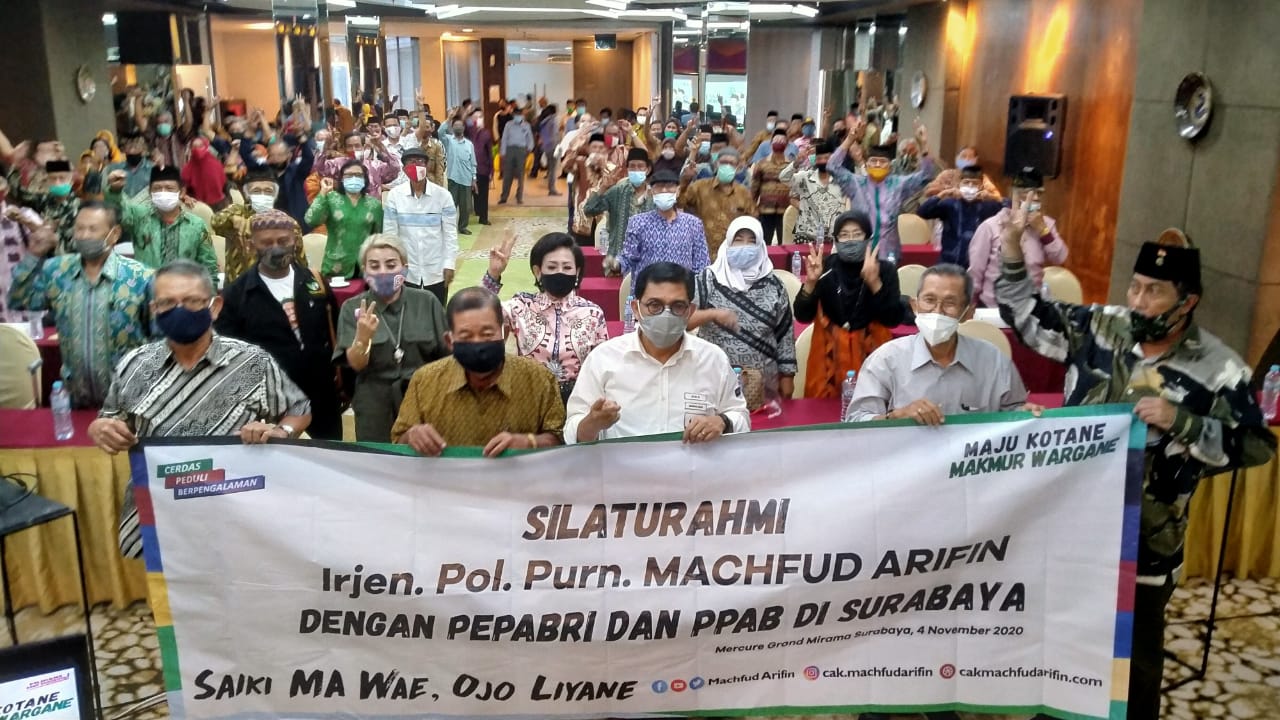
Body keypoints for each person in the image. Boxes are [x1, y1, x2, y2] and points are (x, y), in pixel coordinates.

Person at [995, 229, 1276, 720]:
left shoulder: (1220, 368)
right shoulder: (1100, 329)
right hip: (1072, 531)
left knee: (1134, 665)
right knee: (1058, 647)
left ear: (1187, 301)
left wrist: (1183, 422)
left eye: (1155, 291)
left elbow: (1254, 446)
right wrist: (1015, 248)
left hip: (1146, 543)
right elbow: (1022, 314)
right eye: (1135, 286)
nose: (1139, 301)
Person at [91, 259, 312, 559]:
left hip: (238, 511)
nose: (179, 310)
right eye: (168, 302)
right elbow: (110, 416)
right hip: (163, 506)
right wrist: (101, 427)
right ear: (154, 309)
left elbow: (299, 409)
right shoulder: (134, 364)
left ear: (215, 306)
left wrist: (279, 430)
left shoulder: (252, 362)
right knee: (168, 598)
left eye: (192, 301)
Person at [565, 261, 750, 443]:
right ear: (636, 309)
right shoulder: (603, 359)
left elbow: (741, 419)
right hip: (624, 471)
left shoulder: (713, 359)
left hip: (693, 470)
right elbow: (572, 433)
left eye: (677, 306)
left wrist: (722, 422)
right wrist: (592, 424)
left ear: (690, 311)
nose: (665, 315)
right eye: (655, 305)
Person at [8, 203, 153, 407]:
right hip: (76, 399)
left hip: (129, 400)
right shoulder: (57, 271)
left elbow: (159, 338)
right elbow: (19, 300)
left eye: (93, 229)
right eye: (79, 228)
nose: (84, 235)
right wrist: (33, 255)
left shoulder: (141, 278)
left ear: (114, 234)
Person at [391, 287, 565, 456]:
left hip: (515, 483)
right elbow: (398, 441)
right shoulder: (425, 381)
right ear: (449, 341)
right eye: (466, 336)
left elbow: (561, 442)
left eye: (487, 334)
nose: (478, 344)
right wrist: (413, 435)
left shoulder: (539, 379)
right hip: (447, 483)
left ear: (504, 333)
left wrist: (529, 442)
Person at [214, 210, 341, 440]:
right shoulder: (236, 294)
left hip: (322, 397)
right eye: (267, 242)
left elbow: (336, 334)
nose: (276, 247)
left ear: (294, 241)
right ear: (252, 245)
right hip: (271, 405)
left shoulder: (315, 281)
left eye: (283, 241)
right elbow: (228, 356)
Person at [846, 263, 1027, 422]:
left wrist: (1026, 415)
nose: (937, 311)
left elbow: (1014, 415)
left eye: (950, 303)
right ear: (915, 306)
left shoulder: (994, 361)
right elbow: (856, 421)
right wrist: (895, 416)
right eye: (929, 300)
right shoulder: (886, 359)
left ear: (968, 313)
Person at [337, 234, 448, 442]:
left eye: (390, 265)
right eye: (374, 266)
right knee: (378, 462)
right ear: (364, 270)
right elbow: (356, 365)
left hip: (424, 398)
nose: (383, 272)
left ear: (404, 268)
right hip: (375, 402)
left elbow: (448, 356)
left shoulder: (427, 301)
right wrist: (362, 339)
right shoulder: (352, 308)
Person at [483, 230, 609, 403]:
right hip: (529, 399)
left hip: (578, 401)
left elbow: (601, 365)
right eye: (551, 267)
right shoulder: (521, 305)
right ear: (538, 271)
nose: (560, 272)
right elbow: (480, 315)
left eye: (567, 267)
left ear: (577, 272)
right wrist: (493, 274)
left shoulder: (593, 313)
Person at [793, 211, 905, 398]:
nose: (851, 240)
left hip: (873, 358)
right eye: (844, 235)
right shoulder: (825, 268)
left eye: (857, 234)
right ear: (836, 240)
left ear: (868, 238)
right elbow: (802, 316)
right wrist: (811, 282)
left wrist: (875, 283)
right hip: (828, 363)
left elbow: (893, 319)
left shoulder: (884, 270)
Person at [688, 216, 797, 399]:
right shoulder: (708, 279)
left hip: (764, 385)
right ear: (728, 243)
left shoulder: (775, 285)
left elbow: (785, 334)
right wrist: (712, 314)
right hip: (714, 380)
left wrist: (787, 377)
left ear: (761, 246)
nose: (744, 247)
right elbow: (684, 321)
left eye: (751, 242)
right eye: (738, 240)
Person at [828, 122, 936, 261]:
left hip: (889, 254)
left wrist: (923, 146)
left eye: (882, 161)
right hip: (860, 254)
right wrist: (849, 140)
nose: (878, 164)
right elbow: (832, 166)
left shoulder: (898, 185)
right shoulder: (856, 183)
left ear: (890, 166)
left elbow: (927, 175)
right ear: (866, 164)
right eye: (873, 161)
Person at [968, 166, 1068, 307]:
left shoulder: (1046, 225)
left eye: (1038, 194)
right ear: (1013, 195)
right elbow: (975, 273)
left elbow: (1060, 257)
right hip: (994, 307)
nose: (1033, 198)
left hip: (1030, 309)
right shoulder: (991, 226)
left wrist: (1042, 230)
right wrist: (971, 305)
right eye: (1026, 194)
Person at [105, 165, 219, 279]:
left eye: (169, 188)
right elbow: (120, 211)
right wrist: (114, 191)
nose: (163, 192)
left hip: (185, 291)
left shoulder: (197, 225)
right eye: (157, 188)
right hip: (147, 291)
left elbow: (209, 265)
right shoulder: (139, 217)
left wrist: (209, 295)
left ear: (182, 192)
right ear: (150, 192)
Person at [382, 147, 458, 305]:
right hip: (407, 270)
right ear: (404, 169)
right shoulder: (395, 196)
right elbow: (390, 235)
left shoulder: (443, 196)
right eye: (411, 162)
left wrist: (449, 263)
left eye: (420, 162)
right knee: (407, 311)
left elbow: (450, 234)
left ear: (427, 165)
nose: (416, 166)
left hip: (436, 269)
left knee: (436, 311)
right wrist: (392, 266)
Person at [213, 169, 309, 285]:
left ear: (275, 195)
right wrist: (233, 219)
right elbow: (216, 221)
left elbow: (300, 260)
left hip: (276, 285)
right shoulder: (237, 212)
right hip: (239, 286)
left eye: (268, 191)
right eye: (256, 191)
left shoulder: (286, 222)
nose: (262, 195)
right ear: (247, 194)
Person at [621, 170, 710, 278]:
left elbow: (702, 264)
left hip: (681, 290)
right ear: (651, 192)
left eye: (669, 187)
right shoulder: (638, 223)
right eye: (659, 187)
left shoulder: (693, 224)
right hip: (648, 290)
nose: (664, 190)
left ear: (677, 191)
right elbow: (628, 258)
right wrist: (616, 264)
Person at [304, 160, 383, 279]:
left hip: (365, 268)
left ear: (365, 179)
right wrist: (323, 193)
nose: (354, 178)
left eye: (358, 175)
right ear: (342, 178)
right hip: (335, 267)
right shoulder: (331, 199)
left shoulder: (374, 204)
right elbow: (311, 220)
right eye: (349, 175)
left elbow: (378, 236)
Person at [585, 148, 656, 276]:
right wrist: (603, 188)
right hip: (616, 264)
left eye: (640, 166)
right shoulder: (617, 191)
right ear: (627, 169)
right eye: (632, 167)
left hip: (648, 264)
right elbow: (589, 210)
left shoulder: (655, 195)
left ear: (648, 169)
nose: (636, 170)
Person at [916, 165, 1003, 268]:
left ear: (981, 186)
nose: (970, 186)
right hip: (949, 263)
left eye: (975, 183)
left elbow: (1010, 210)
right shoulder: (950, 204)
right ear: (959, 184)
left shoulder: (989, 206)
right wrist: (943, 194)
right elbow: (923, 212)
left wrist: (994, 197)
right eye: (966, 183)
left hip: (976, 266)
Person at [678, 147, 756, 259]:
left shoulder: (744, 193)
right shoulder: (700, 187)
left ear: (738, 167)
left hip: (733, 254)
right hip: (704, 252)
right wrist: (685, 180)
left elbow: (752, 221)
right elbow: (680, 203)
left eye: (731, 163)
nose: (727, 166)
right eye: (723, 162)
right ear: (716, 164)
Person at [781, 140, 846, 245]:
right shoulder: (805, 177)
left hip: (833, 239)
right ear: (815, 160)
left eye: (827, 158)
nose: (823, 161)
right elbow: (784, 178)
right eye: (820, 158)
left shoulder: (842, 180)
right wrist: (797, 162)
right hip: (806, 237)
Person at [0, 176, 43, 321]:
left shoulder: (24, 214)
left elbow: (48, 237)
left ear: (5, 191)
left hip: (23, 298)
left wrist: (23, 220)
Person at [320, 132, 401, 198]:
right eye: (349, 146)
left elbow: (395, 168)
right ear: (344, 149)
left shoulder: (375, 166)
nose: (353, 149)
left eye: (357, 146)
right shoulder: (337, 164)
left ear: (364, 147)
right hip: (345, 213)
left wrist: (380, 147)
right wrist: (325, 148)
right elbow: (319, 168)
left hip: (372, 213)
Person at [751, 129, 793, 245]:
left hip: (785, 211)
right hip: (765, 210)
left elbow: (795, 188)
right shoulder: (761, 164)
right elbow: (754, 188)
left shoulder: (791, 165)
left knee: (785, 243)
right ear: (771, 143)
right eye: (776, 140)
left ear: (787, 144)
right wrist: (752, 207)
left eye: (782, 140)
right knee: (764, 243)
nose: (779, 142)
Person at [438, 117, 478, 236]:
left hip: (466, 179)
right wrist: (449, 118)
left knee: (465, 207)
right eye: (455, 125)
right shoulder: (449, 141)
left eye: (460, 125)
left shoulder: (469, 144)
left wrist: (474, 179)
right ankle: (448, 227)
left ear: (464, 128)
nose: (458, 127)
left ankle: (462, 227)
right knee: (451, 204)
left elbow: (473, 163)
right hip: (453, 179)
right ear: (452, 127)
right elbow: (440, 132)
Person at [923, 144, 1001, 200]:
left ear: (976, 160)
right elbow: (927, 191)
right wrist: (948, 190)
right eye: (963, 156)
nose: (966, 159)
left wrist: (984, 195)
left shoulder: (982, 177)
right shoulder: (947, 174)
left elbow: (997, 196)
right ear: (957, 158)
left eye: (970, 157)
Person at [499, 108, 535, 205]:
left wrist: (529, 149)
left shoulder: (526, 125)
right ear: (513, 115)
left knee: (520, 174)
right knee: (507, 174)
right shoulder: (508, 125)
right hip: (510, 149)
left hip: (521, 150)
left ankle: (519, 197)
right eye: (516, 115)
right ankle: (504, 197)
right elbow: (504, 138)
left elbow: (530, 139)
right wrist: (503, 152)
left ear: (522, 115)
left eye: (519, 114)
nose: (518, 117)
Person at [180, 136, 227, 209]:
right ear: (191, 149)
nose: (197, 150)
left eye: (200, 146)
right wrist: (185, 197)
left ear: (206, 147)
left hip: (219, 205)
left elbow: (224, 184)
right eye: (194, 147)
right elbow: (183, 192)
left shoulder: (216, 165)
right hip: (198, 206)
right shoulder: (187, 168)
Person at [466, 109, 494, 225]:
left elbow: (490, 153)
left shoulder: (486, 133)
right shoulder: (468, 132)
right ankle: (475, 212)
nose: (478, 119)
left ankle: (483, 217)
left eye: (480, 117)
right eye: (476, 117)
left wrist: (492, 169)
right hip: (469, 168)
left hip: (483, 168)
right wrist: (466, 115)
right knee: (473, 193)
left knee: (483, 194)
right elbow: (461, 124)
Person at [106, 134, 155, 199]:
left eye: (136, 146)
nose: (132, 150)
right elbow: (107, 191)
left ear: (143, 149)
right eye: (129, 147)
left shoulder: (153, 169)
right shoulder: (115, 169)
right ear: (123, 149)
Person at [538, 104, 562, 194]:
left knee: (550, 169)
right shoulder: (553, 121)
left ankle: (551, 188)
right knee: (553, 169)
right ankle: (552, 189)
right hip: (553, 146)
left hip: (546, 147)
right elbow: (555, 134)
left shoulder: (544, 122)